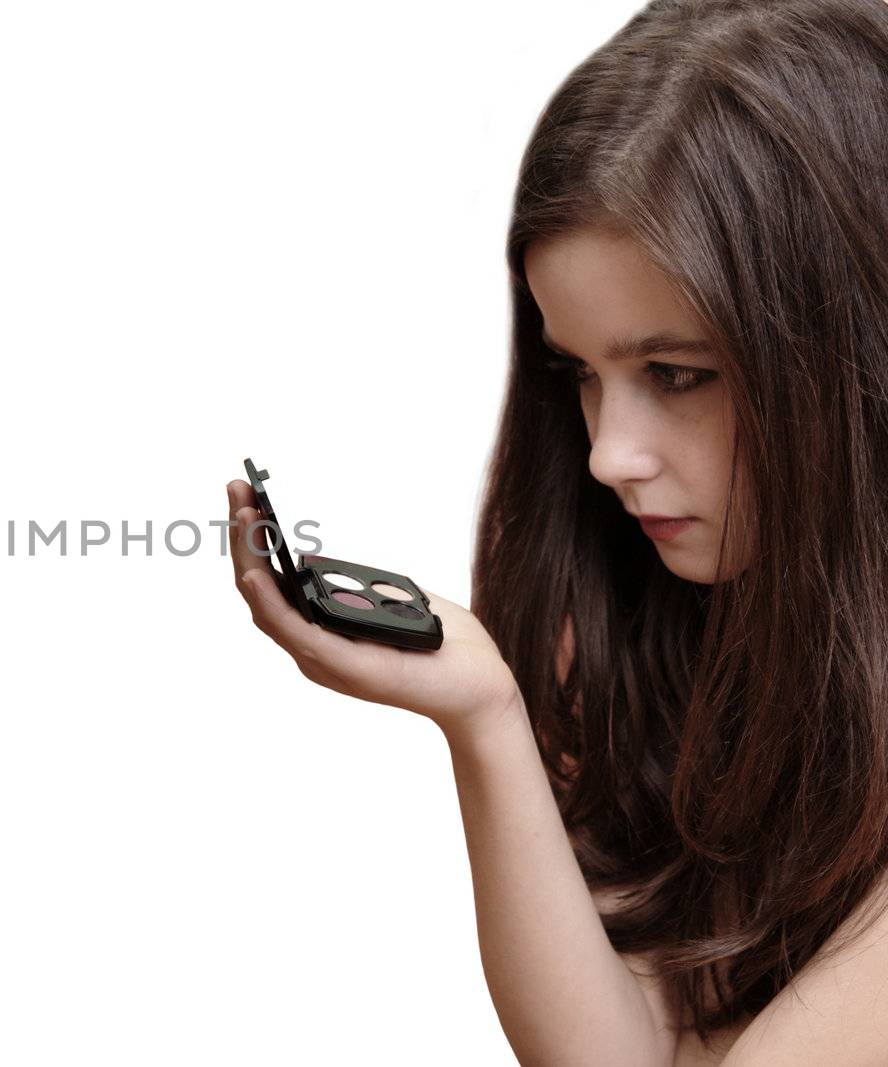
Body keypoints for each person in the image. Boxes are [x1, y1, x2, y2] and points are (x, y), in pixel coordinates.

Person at [226, 1, 888, 1063]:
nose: (606, 454)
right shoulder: (643, 630)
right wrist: (484, 715)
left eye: (676, 375)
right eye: (579, 375)